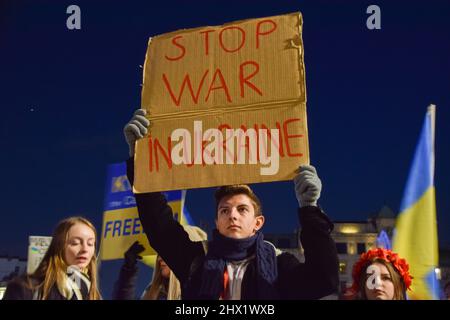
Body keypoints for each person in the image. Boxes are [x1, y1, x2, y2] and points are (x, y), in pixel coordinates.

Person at [123, 109, 339, 300]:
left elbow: (323, 281)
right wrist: (139, 161)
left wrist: (309, 207)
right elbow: (158, 225)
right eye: (224, 210)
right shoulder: (196, 260)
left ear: (258, 222)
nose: (232, 215)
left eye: (242, 209)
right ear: (217, 222)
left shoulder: (279, 263)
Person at [4, 217, 101, 300]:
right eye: (75, 243)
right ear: (59, 246)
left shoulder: (91, 291)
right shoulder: (25, 287)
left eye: (90, 244)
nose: (85, 249)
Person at [113, 225, 207, 300]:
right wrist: (128, 270)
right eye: (161, 251)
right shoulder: (153, 293)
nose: (159, 259)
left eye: (168, 251)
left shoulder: (206, 294)